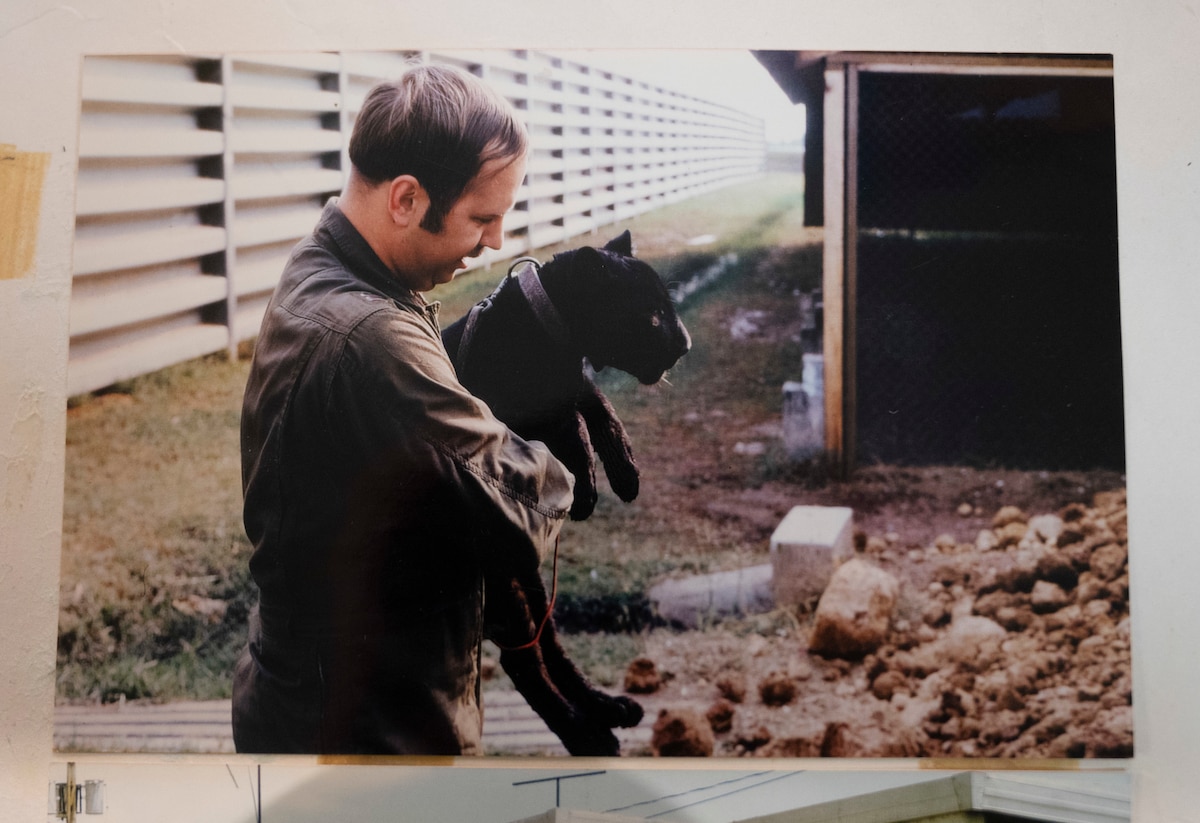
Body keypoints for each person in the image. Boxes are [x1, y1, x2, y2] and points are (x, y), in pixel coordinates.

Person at [232, 63, 574, 755]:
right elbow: (523, 512)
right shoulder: (369, 337)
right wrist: (543, 455)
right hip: (368, 738)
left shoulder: (323, 265)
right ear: (407, 199)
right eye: (482, 217)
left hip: (321, 701)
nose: (496, 241)